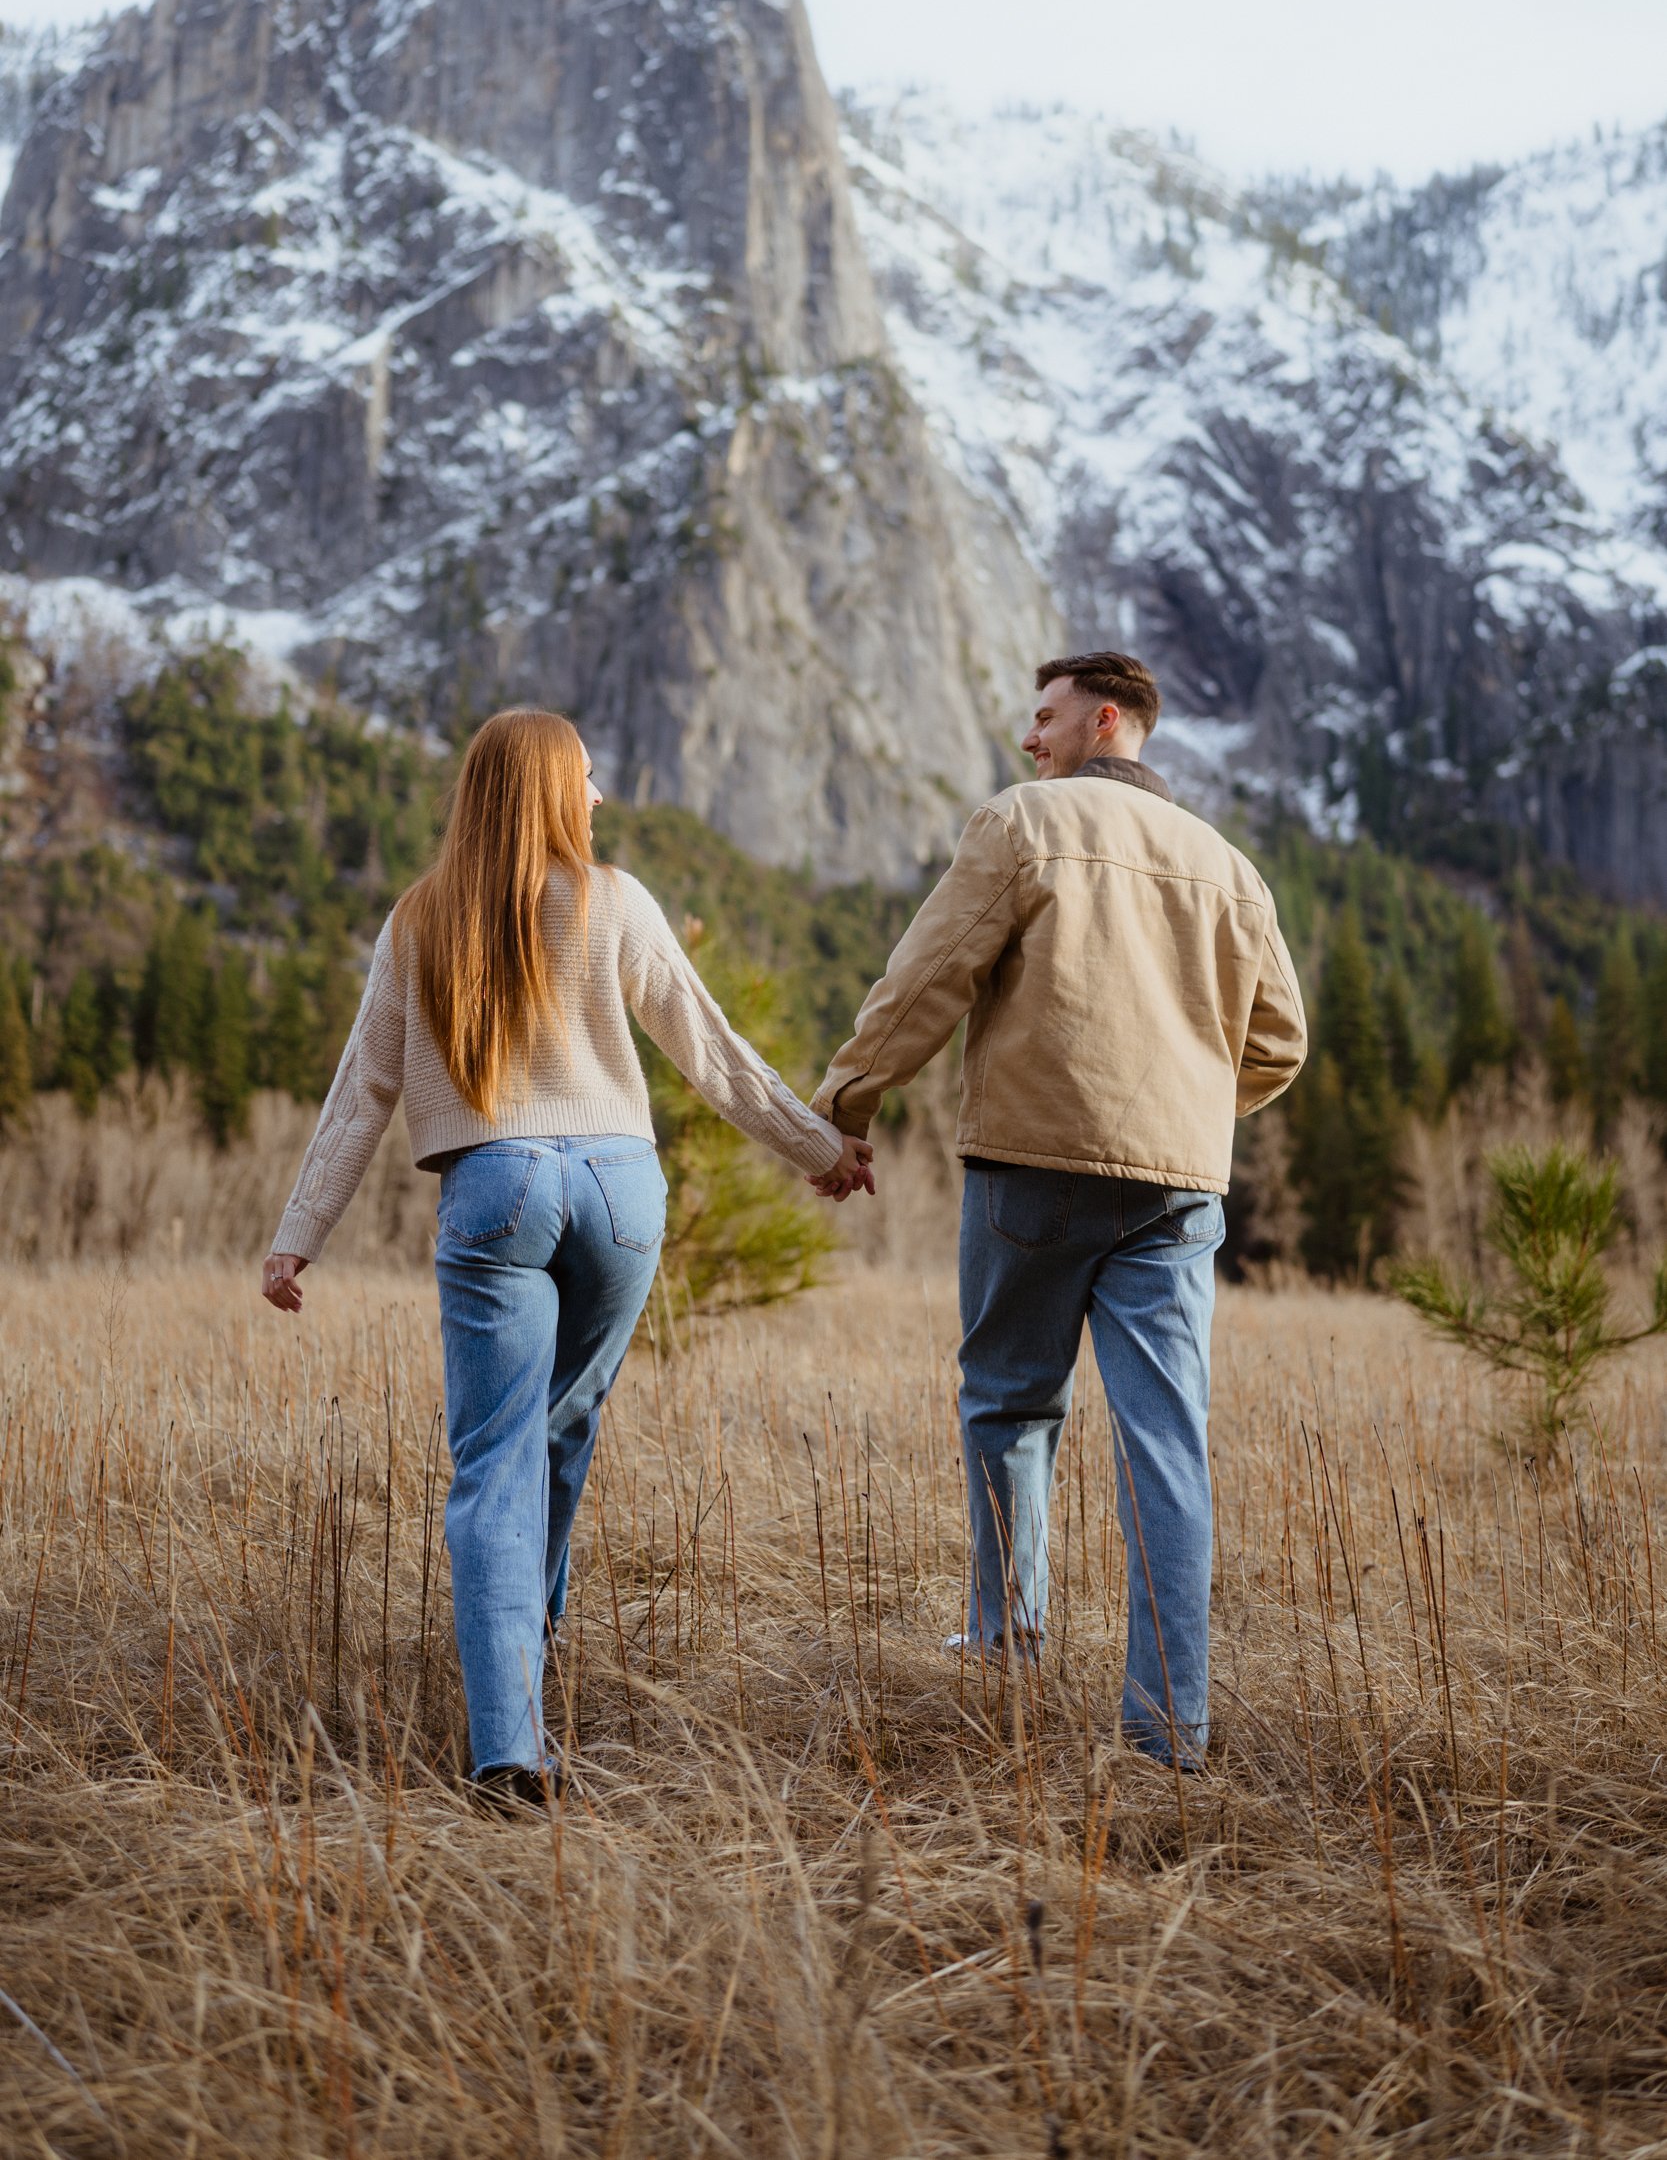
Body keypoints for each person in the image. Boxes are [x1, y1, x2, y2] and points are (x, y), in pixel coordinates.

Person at [262, 709, 873, 1809]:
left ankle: (509, 1746)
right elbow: (709, 1048)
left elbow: (364, 1091)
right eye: (585, 777)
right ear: (547, 787)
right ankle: (524, 1644)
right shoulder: (615, 899)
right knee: (560, 1426)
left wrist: (295, 1235)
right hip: (620, 1190)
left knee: (493, 1461)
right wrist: (818, 1150)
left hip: (494, 1186)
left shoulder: (417, 920)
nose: (595, 797)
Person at [811, 652, 1306, 1768]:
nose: (1028, 738)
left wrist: (847, 1099)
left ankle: (1004, 1647)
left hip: (1032, 1166)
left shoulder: (1021, 822)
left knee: (1007, 1405)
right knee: (1165, 1447)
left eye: (1042, 717)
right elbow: (1279, 1042)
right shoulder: (1228, 868)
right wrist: (1183, 1107)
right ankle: (1169, 1728)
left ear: (1105, 718)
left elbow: (924, 974)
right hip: (1176, 1189)